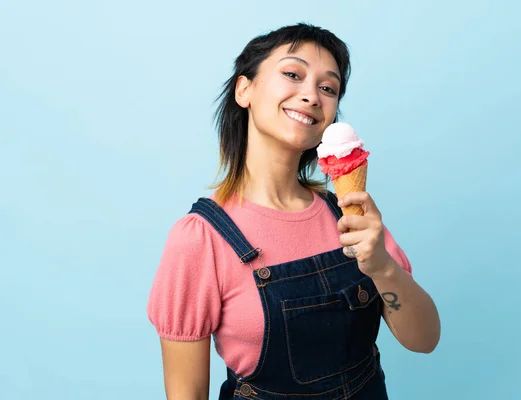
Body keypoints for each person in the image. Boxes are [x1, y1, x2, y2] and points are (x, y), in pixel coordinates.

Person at [147, 22, 441, 400]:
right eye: (292, 74)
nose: (312, 96)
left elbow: (425, 340)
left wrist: (383, 266)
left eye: (328, 88)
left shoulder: (350, 216)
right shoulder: (199, 238)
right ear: (245, 89)